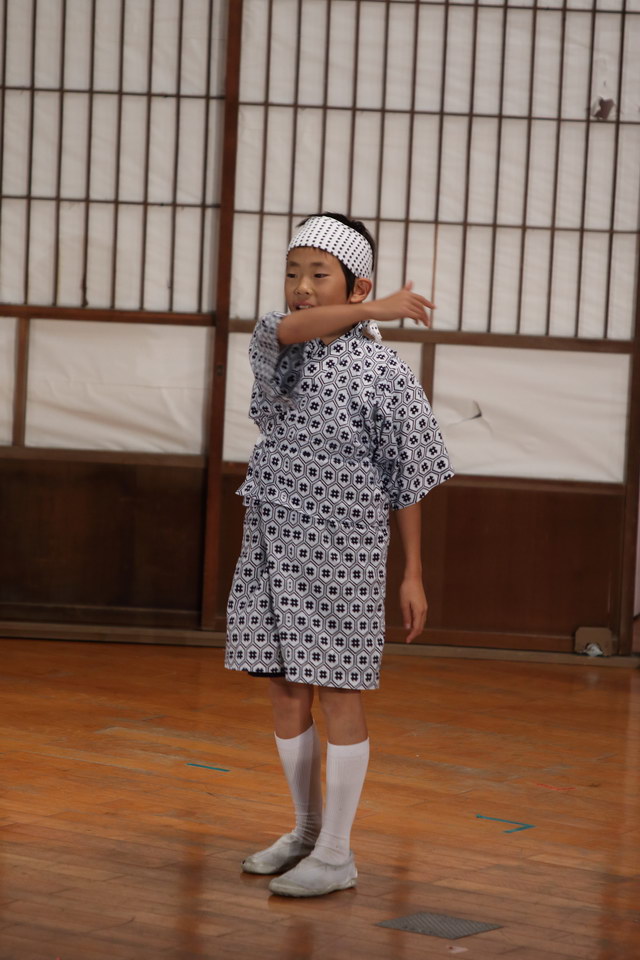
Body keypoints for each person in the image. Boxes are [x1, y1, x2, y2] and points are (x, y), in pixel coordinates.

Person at [225, 213, 453, 898]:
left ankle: (337, 852)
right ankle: (305, 830)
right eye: (292, 272)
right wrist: (372, 310)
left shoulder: (386, 373)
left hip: (345, 551)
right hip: (272, 535)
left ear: (357, 284)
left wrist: (413, 574)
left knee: (338, 690)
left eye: (318, 274)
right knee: (284, 686)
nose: (300, 286)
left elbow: (408, 476)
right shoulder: (278, 340)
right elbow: (287, 329)